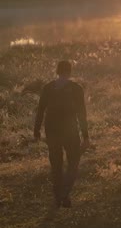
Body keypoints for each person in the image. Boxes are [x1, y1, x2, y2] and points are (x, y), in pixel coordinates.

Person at [34, 60, 90, 208]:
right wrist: (85, 136)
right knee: (73, 162)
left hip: (51, 130)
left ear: (57, 71)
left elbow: (40, 110)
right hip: (70, 130)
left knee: (56, 164)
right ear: (70, 71)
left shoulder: (48, 87)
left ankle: (58, 196)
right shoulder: (76, 88)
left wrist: (36, 131)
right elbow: (81, 114)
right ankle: (64, 193)